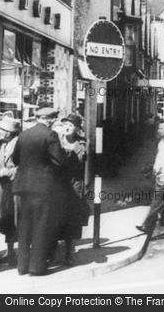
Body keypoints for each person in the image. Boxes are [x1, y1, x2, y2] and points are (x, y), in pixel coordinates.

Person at [11, 107, 68, 276]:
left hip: (23, 187)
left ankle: (22, 266)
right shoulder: (50, 135)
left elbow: (15, 159)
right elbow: (60, 161)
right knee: (41, 226)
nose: (53, 121)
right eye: (53, 118)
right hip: (43, 187)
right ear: (49, 119)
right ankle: (37, 267)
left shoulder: (24, 134)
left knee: (24, 226)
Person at [54, 113, 88, 266]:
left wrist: (86, 187)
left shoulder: (83, 145)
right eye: (65, 124)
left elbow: (88, 169)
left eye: (71, 125)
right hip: (57, 185)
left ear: (77, 129)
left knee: (71, 221)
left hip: (75, 186)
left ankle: (69, 252)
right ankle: (52, 251)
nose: (67, 127)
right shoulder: (55, 143)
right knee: (54, 219)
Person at [0, 116, 20, 265]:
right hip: (3, 185)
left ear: (8, 132)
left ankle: (12, 251)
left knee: (11, 217)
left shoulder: (16, 144)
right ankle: (10, 251)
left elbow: (22, 166)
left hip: (13, 185)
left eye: (1, 130)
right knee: (5, 217)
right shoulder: (3, 144)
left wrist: (5, 172)